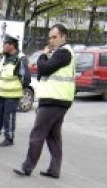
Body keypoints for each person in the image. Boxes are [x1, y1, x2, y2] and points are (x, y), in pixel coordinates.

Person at [13, 23, 75, 178]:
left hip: (54, 100)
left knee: (38, 133)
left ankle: (27, 167)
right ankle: (54, 170)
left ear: (63, 36)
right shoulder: (59, 53)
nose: (51, 40)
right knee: (53, 136)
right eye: (50, 37)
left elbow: (44, 69)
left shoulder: (64, 52)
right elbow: (43, 74)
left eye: (54, 37)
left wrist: (42, 55)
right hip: (58, 100)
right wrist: (46, 58)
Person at [0, 34, 30, 147]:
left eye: (5, 44)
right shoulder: (5, 57)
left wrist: (16, 88)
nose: (2, 46)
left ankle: (9, 138)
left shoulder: (20, 58)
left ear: (12, 45)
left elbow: (26, 79)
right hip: (1, 93)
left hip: (12, 95)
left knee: (9, 116)